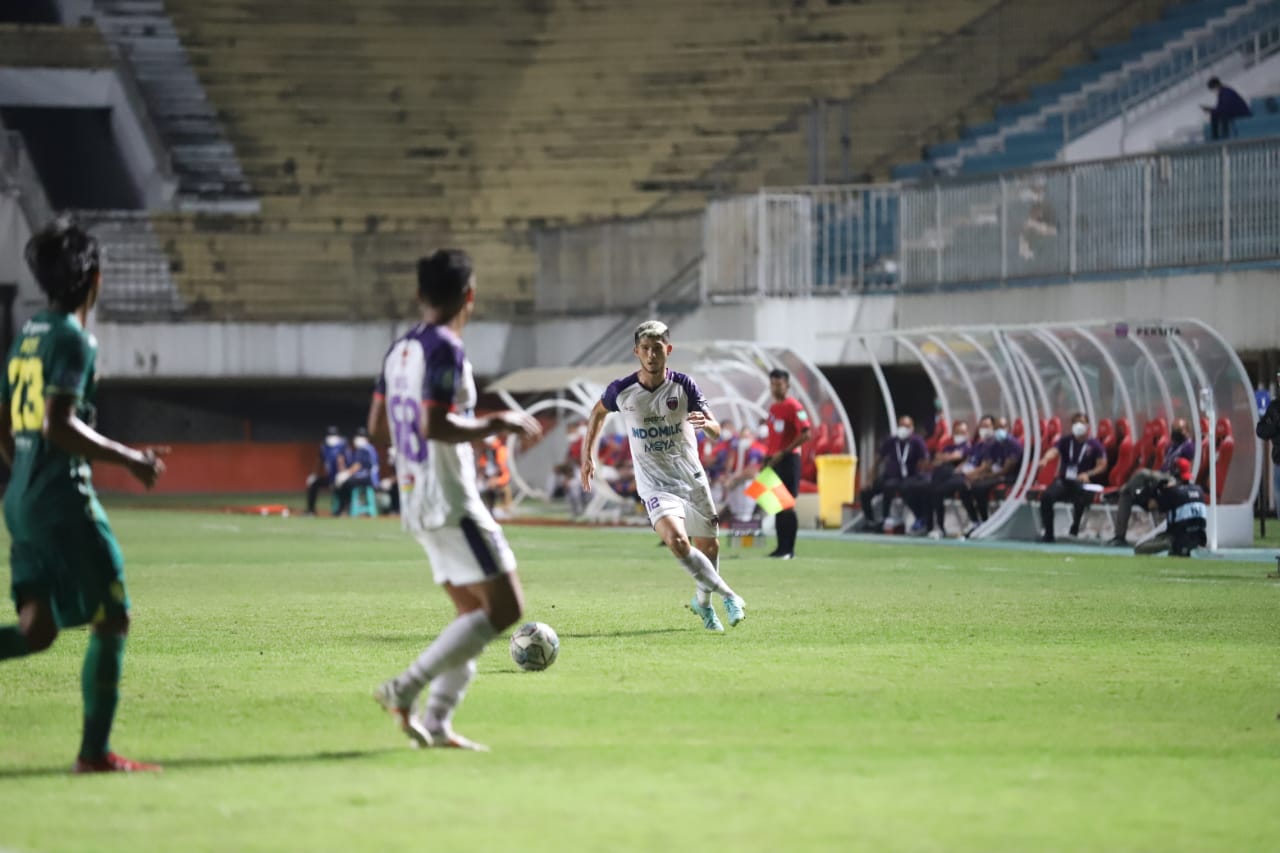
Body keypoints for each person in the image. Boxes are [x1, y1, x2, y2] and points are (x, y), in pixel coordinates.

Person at [0, 218, 167, 773]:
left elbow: (7, 422)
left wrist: (23, 470)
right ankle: (94, 754)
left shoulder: (28, 334)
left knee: (38, 630)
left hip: (21, 499)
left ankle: (95, 751)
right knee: (113, 616)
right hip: (60, 500)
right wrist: (131, 460)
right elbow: (58, 424)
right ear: (95, 279)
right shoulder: (74, 339)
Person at [370, 248, 541, 751]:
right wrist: (497, 422)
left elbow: (379, 427)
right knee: (507, 608)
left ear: (420, 294)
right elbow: (436, 423)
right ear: (470, 295)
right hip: (452, 497)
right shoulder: (446, 347)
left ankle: (439, 723)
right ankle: (403, 689)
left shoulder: (399, 351)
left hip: (416, 495)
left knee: (471, 614)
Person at [580, 320, 747, 632]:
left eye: (658, 348)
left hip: (691, 479)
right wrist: (587, 454)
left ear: (668, 350)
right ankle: (729, 595)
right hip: (654, 484)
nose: (652, 354)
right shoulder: (623, 390)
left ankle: (703, 604)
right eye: (646, 348)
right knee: (678, 542)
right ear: (636, 352)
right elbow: (597, 412)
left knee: (709, 549)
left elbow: (715, 429)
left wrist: (706, 424)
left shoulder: (684, 386)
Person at [1107, 417, 1195, 546]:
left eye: (1179, 429)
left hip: (1174, 480)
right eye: (1173, 429)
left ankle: (1119, 490)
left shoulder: (1188, 447)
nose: (1175, 432)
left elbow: (1185, 470)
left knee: (1142, 473)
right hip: (1160, 480)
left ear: (1187, 431)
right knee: (1127, 495)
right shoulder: (1171, 447)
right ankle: (1119, 536)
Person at [764, 369, 812, 559]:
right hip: (773, 461)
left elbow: (806, 433)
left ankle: (789, 550)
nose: (776, 387)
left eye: (779, 384)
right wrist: (767, 460)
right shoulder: (773, 408)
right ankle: (779, 547)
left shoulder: (794, 406)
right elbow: (773, 438)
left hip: (789, 460)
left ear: (787, 385)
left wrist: (783, 452)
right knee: (776, 504)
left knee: (787, 505)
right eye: (773, 384)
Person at [1038, 412, 1107, 543]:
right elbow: (1054, 451)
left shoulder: (1094, 445)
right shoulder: (1066, 441)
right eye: (1075, 422)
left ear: (1087, 425)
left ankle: (1075, 526)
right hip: (1065, 480)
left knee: (1081, 495)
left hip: (1083, 481)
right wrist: (1045, 459)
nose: (1078, 425)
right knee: (1047, 496)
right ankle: (1049, 533)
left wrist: (1088, 474)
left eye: (1081, 422)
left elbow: (1102, 465)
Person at [856, 415, 928, 532]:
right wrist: (870, 477)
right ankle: (870, 521)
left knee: (892, 487)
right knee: (865, 492)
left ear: (912, 427)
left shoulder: (916, 441)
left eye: (907, 426)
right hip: (889, 476)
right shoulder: (892, 440)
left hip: (907, 478)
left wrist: (921, 472)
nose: (903, 428)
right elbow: (879, 458)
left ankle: (887, 518)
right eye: (901, 425)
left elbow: (925, 459)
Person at [1134, 459, 1207, 557]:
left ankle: (1171, 545)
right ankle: (1181, 549)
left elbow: (1150, 505)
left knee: (1139, 548)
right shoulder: (1199, 490)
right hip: (1199, 537)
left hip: (1179, 537)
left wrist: (1155, 490)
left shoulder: (1172, 491)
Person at [925, 419, 982, 539]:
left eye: (962, 432)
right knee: (933, 487)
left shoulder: (968, 446)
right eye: (957, 432)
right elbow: (936, 460)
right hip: (945, 478)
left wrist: (946, 458)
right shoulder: (949, 446)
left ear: (967, 433)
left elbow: (957, 457)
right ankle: (938, 526)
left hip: (959, 478)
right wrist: (948, 457)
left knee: (940, 488)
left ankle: (974, 521)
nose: (959, 435)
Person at [335, 427, 380, 516]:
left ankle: (344, 508)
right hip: (366, 477)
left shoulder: (365, 449)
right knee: (344, 483)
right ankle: (349, 506)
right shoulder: (365, 449)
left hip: (369, 478)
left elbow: (358, 466)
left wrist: (347, 474)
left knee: (346, 483)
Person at [305, 425, 348, 515]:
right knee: (314, 484)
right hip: (330, 477)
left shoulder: (342, 445)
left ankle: (341, 511)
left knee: (342, 487)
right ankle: (311, 510)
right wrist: (314, 474)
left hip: (344, 476)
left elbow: (342, 461)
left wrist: (343, 474)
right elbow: (319, 461)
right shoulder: (324, 447)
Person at [477, 435, 512, 518]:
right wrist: (482, 478)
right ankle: (489, 509)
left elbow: (501, 467)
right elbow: (482, 466)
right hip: (488, 478)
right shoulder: (486, 451)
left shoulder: (500, 450)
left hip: (501, 477)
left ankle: (507, 510)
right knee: (481, 488)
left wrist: (494, 479)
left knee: (504, 489)